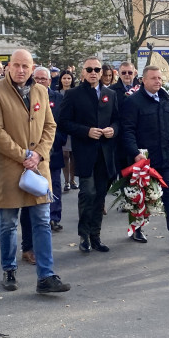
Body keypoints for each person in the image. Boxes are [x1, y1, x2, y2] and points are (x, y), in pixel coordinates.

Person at [0, 49, 70, 294]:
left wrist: (39, 153)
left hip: (38, 168)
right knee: (9, 223)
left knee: (42, 221)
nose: (21, 70)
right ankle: (9, 269)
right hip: (9, 168)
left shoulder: (40, 91)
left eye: (26, 66)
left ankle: (46, 275)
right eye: (17, 65)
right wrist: (23, 155)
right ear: (9, 66)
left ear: (32, 69)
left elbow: (50, 125)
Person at [119, 64, 169, 248]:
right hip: (143, 158)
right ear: (143, 80)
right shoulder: (133, 102)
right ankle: (137, 229)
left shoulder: (165, 99)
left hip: (165, 156)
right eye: (153, 78)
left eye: (160, 78)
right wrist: (135, 153)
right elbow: (127, 130)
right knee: (140, 196)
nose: (158, 81)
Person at [58, 56, 119, 253]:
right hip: (85, 152)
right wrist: (86, 131)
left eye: (97, 69)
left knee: (100, 196)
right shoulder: (74, 94)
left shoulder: (110, 93)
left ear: (102, 73)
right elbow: (64, 122)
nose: (93, 72)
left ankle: (96, 236)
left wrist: (112, 130)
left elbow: (118, 121)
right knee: (88, 193)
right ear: (83, 72)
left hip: (106, 153)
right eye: (89, 69)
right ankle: (84, 235)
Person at [32, 65, 66, 232]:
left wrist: (52, 143)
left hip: (54, 149)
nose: (39, 81)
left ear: (49, 81)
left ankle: (54, 218)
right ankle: (38, 218)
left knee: (54, 185)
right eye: (36, 78)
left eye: (43, 79)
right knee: (33, 186)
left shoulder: (58, 98)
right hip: (32, 152)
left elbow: (61, 125)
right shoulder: (27, 97)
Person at [58, 70, 78, 190]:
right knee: (65, 155)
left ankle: (73, 180)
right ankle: (66, 181)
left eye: (69, 78)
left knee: (73, 155)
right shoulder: (57, 94)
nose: (66, 80)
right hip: (61, 128)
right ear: (61, 80)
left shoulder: (75, 93)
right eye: (64, 78)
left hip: (73, 127)